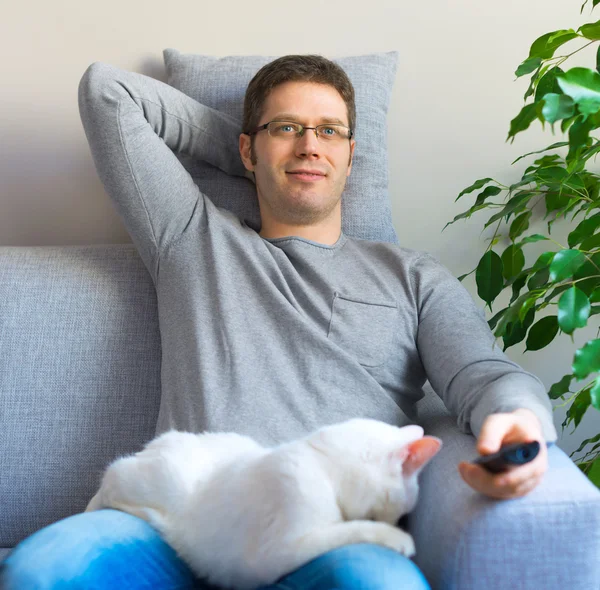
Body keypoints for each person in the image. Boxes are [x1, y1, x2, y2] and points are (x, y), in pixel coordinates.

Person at [1, 54, 557, 590]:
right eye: (289, 127)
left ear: (352, 153)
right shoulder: (192, 237)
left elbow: (483, 373)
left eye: (329, 132)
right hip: (174, 525)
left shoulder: (412, 276)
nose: (311, 145)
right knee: (38, 572)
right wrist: (267, 151)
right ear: (246, 148)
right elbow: (107, 92)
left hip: (332, 537)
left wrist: (520, 419)